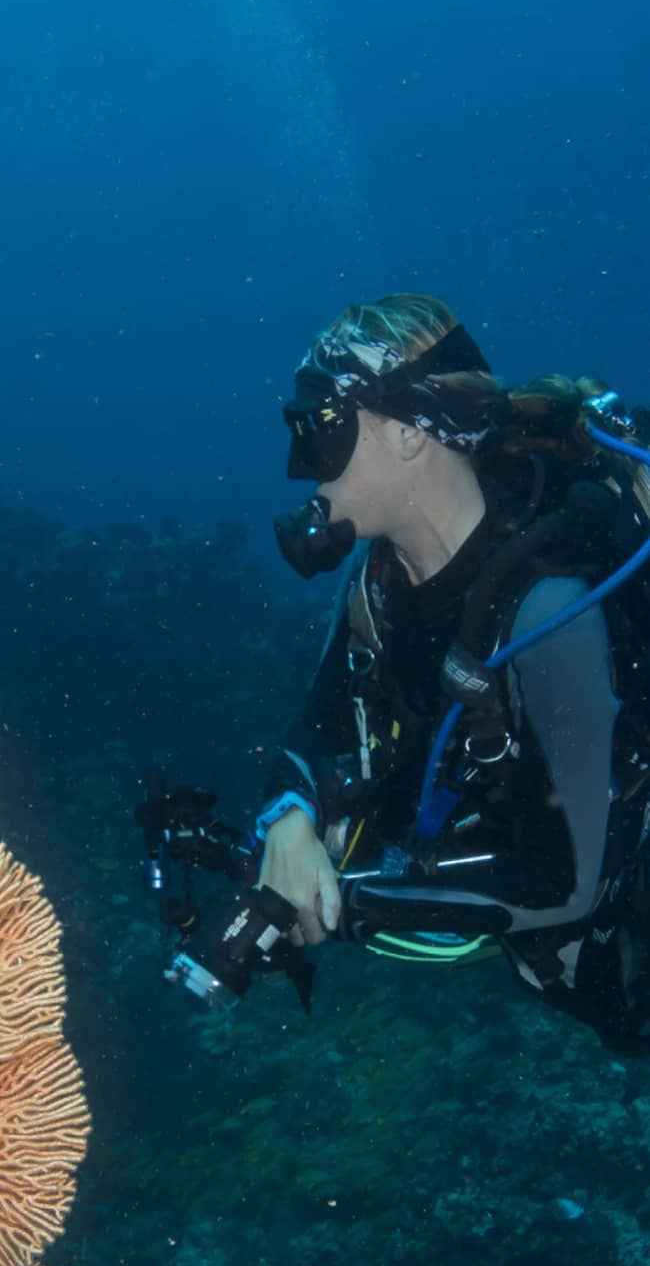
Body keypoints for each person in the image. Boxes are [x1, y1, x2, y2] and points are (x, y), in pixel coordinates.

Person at [256, 293, 650, 1050]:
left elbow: (562, 882)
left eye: (324, 430)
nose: (303, 468)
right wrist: (292, 821)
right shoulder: (379, 589)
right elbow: (318, 722)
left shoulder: (549, 608)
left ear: (409, 435)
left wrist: (345, 902)